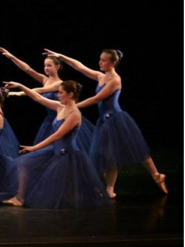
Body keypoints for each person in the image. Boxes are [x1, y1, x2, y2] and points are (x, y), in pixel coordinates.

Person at [43, 48, 167, 199]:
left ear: (113, 63)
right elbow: (80, 67)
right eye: (100, 59)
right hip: (104, 121)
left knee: (135, 147)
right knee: (108, 155)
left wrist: (72, 106)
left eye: (104, 60)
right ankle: (109, 188)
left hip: (116, 119)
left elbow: (96, 99)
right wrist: (61, 55)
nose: (100, 62)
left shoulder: (115, 80)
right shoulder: (101, 76)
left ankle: (156, 174)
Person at [1, 80, 109, 208]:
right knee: (24, 164)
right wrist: (20, 85)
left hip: (67, 155)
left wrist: (35, 147)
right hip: (55, 150)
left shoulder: (74, 114)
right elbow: (37, 97)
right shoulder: (60, 107)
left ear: (70, 95)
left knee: (71, 193)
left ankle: (94, 194)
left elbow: (57, 135)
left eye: (60, 92)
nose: (58, 95)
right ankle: (20, 198)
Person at [0, 47, 94, 151]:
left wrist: (17, 93)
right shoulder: (45, 80)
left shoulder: (60, 84)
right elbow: (28, 69)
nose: (46, 68)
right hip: (51, 120)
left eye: (49, 65)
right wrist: (12, 57)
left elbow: (40, 91)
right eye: (45, 65)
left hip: (64, 118)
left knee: (64, 147)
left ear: (57, 66)